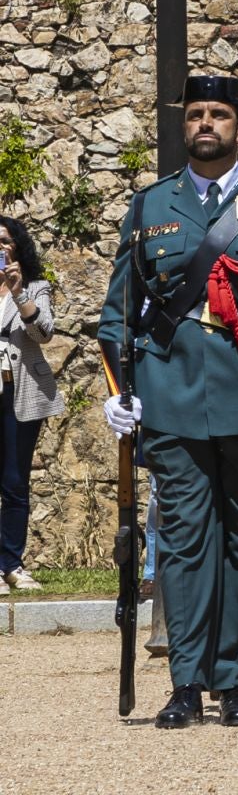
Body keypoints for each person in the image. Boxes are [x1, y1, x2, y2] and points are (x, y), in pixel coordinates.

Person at [97, 75, 238, 728]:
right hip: (170, 395)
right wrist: (121, 393)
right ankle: (185, 683)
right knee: (184, 542)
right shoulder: (149, 206)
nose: (205, 123)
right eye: (195, 113)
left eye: (218, 114)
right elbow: (118, 315)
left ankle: (236, 681)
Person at [0, 214, 58, 593]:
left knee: (15, 481)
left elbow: (44, 332)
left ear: (17, 247)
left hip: (18, 392)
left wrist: (18, 293)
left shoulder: (35, 286)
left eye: (4, 241)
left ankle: (10, 564)